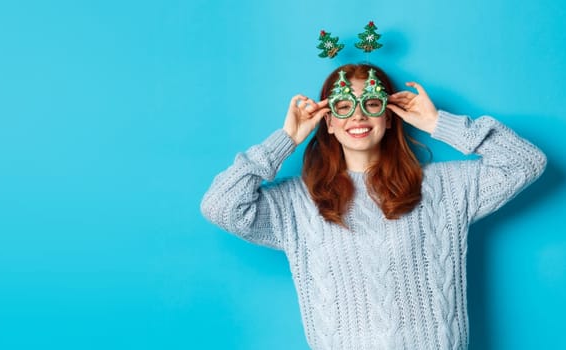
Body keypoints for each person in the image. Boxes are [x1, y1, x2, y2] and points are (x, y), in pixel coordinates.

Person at [199, 63, 547, 349]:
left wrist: (438, 123)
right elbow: (220, 205)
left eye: (372, 103)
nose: (359, 115)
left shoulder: (445, 186)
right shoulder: (296, 203)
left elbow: (525, 162)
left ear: (390, 115)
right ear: (329, 121)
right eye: (344, 106)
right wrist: (286, 139)